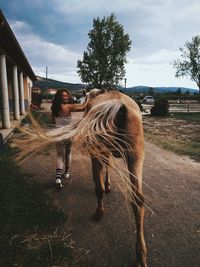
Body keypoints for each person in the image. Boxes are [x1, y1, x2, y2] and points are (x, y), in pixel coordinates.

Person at [51, 89, 88, 189]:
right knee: (68, 154)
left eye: (67, 95)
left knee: (60, 155)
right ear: (60, 97)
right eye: (64, 96)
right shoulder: (68, 107)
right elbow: (84, 107)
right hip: (68, 135)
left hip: (58, 134)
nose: (67, 97)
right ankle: (66, 172)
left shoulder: (54, 107)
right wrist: (89, 97)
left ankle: (58, 178)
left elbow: (53, 122)